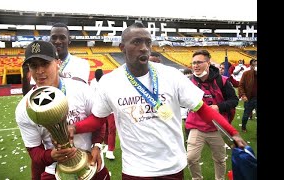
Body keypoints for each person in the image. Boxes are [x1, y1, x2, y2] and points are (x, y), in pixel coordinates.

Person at [68, 22, 246, 180]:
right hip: (135, 170)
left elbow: (202, 108)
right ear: (122, 47)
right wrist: (75, 128)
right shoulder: (110, 82)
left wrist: (232, 132)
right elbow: (98, 118)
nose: (144, 47)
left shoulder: (171, 75)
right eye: (136, 42)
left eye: (147, 42)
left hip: (171, 167)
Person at [15, 40, 110, 180]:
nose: (40, 71)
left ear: (58, 63)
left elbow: (99, 120)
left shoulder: (81, 89)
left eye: (45, 64)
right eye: (34, 66)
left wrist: (96, 145)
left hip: (91, 163)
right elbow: (34, 150)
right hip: (56, 170)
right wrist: (51, 155)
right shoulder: (24, 108)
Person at [186, 49, 239, 180]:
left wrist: (218, 107)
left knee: (220, 159)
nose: (195, 65)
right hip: (196, 126)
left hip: (217, 127)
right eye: (193, 63)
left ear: (208, 63)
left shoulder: (223, 81)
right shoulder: (188, 82)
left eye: (199, 62)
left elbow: (234, 100)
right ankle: (197, 178)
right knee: (191, 158)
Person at [22, 22, 90, 96]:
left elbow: (78, 89)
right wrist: (25, 78)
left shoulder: (81, 63)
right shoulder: (38, 65)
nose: (57, 41)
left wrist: (55, 73)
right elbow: (30, 95)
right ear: (50, 40)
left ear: (69, 40)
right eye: (54, 38)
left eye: (62, 38)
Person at [90, 69, 117, 160]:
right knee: (103, 128)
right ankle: (106, 144)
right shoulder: (93, 82)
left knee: (111, 129)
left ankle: (110, 150)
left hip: (110, 109)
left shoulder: (108, 82)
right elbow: (92, 95)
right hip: (98, 108)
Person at [238, 59, 257, 133]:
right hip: (249, 98)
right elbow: (241, 85)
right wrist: (243, 95)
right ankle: (243, 127)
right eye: (254, 65)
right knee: (246, 114)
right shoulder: (246, 74)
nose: (255, 66)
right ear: (251, 66)